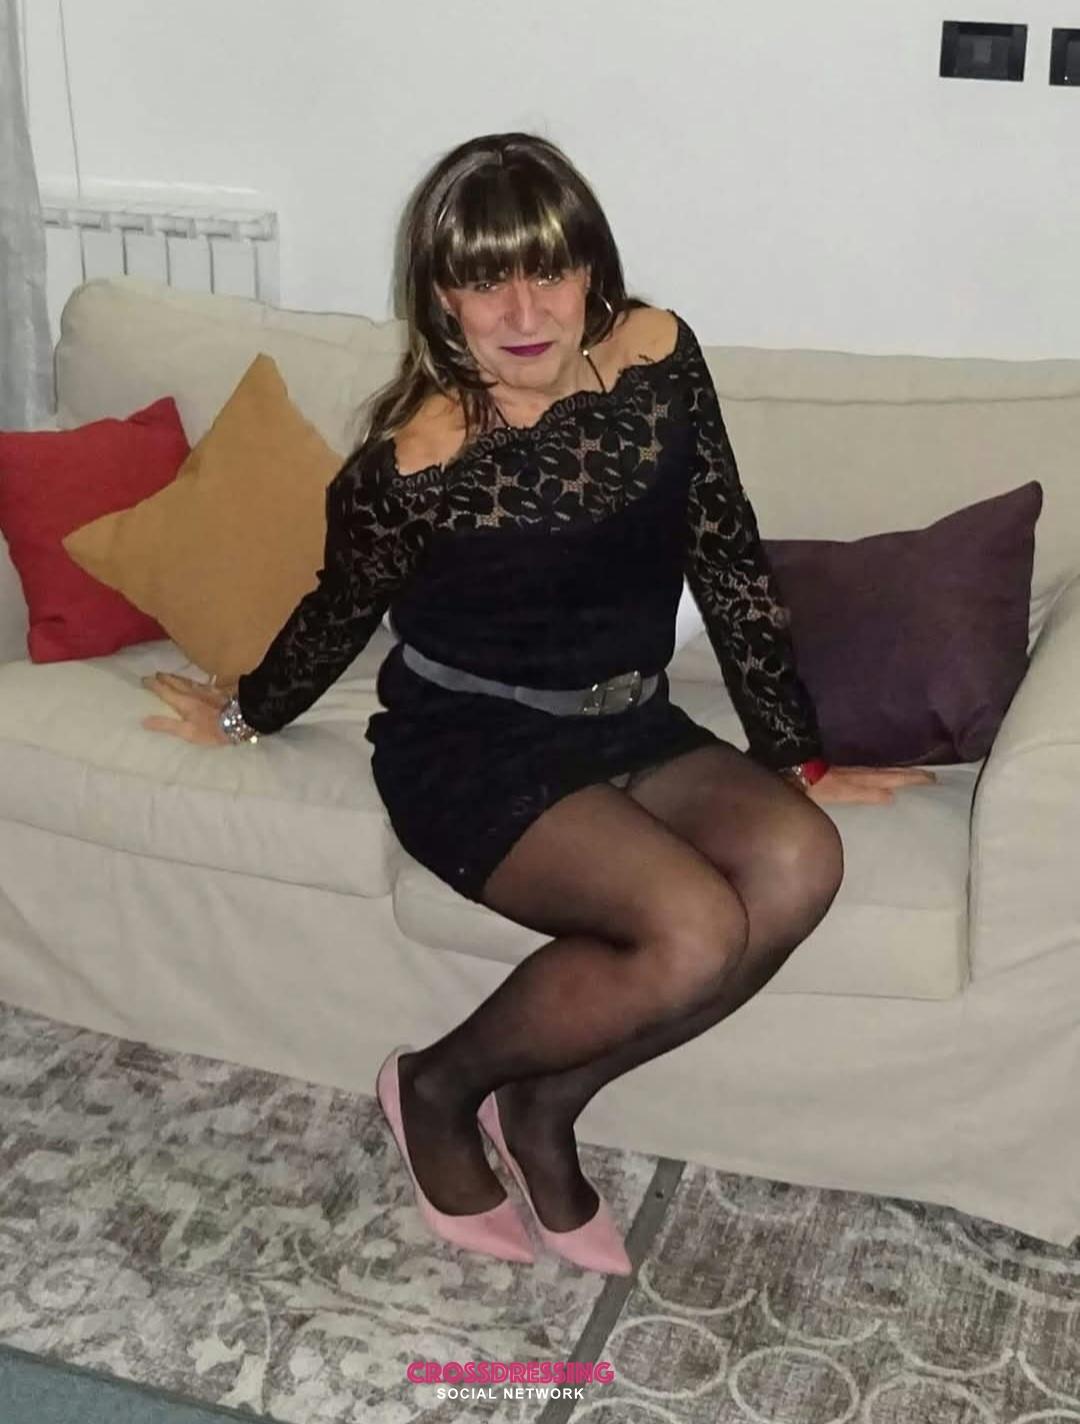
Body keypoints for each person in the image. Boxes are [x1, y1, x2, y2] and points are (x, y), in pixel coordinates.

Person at [142, 131, 935, 1275]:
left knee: (802, 857)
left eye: (549, 270)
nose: (523, 311)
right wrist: (244, 712)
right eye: (484, 281)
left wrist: (794, 753)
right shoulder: (414, 462)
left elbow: (725, 549)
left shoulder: (658, 358)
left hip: (632, 718)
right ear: (441, 298)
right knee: (693, 925)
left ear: (590, 269)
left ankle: (547, 1102)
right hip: (474, 742)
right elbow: (338, 608)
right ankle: (435, 1086)